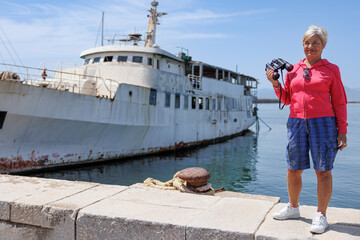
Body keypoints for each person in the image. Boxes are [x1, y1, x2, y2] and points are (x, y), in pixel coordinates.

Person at [266, 25, 347, 234]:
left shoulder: (331, 70)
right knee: (293, 168)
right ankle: (293, 207)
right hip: (296, 122)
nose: (310, 46)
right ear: (303, 44)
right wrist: (275, 83)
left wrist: (342, 130)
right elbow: (286, 98)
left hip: (324, 123)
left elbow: (339, 102)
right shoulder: (293, 70)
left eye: (315, 43)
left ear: (323, 45)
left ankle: (321, 215)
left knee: (323, 171)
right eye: (307, 43)